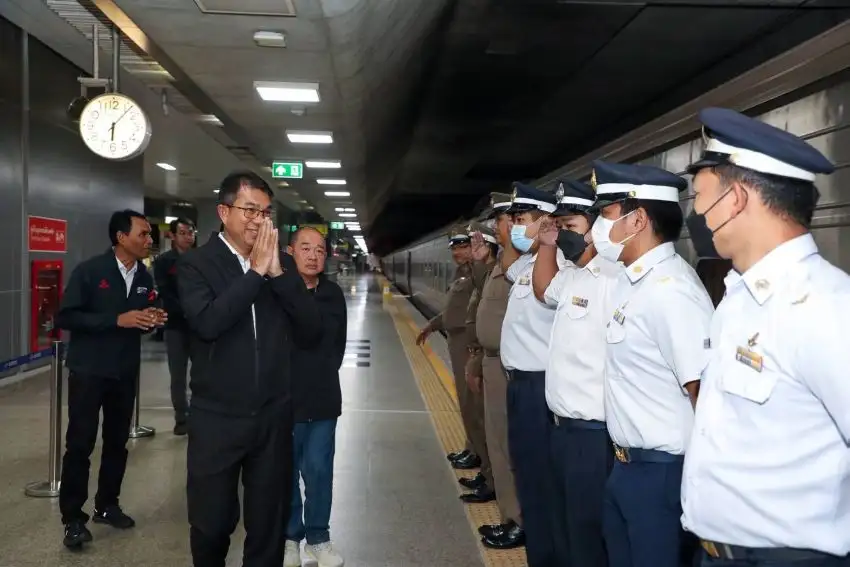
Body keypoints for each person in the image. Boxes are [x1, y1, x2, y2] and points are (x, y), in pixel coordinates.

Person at [681, 107, 849, 566]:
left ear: (735, 198)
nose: (696, 214)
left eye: (700, 197)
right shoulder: (739, 296)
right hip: (719, 553)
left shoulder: (825, 307)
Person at [177, 171, 321, 567]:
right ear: (224, 212)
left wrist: (277, 275)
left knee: (268, 523)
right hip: (217, 417)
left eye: (265, 212)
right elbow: (208, 323)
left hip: (272, 416)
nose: (259, 220)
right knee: (211, 521)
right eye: (250, 210)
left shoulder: (282, 265)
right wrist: (255, 273)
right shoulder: (196, 265)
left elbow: (311, 330)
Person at [589, 160, 714, 567]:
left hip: (661, 475)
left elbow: (703, 393)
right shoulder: (634, 283)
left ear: (638, 219)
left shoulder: (671, 290)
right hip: (627, 467)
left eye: (607, 213)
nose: (598, 227)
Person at [56, 209, 166, 549]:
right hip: (89, 371)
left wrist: (151, 318)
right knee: (80, 444)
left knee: (117, 443)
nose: (149, 240)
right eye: (143, 234)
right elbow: (67, 316)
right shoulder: (90, 271)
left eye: (149, 235)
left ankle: (107, 504)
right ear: (121, 237)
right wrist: (117, 319)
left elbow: (141, 316)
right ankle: (73, 518)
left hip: (124, 373)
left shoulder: (145, 277)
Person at [531, 178, 621, 567]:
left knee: (587, 533)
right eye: (559, 226)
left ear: (595, 227)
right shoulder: (572, 273)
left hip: (593, 434)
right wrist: (547, 245)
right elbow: (542, 290)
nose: (563, 234)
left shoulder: (613, 278)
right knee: (564, 527)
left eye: (570, 226)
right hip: (561, 428)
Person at [499, 183, 561, 567]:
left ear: (546, 222)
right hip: (520, 387)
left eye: (522, 219)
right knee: (526, 475)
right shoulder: (526, 264)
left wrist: (547, 241)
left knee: (540, 483)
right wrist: (513, 236)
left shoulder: (557, 267)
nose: (516, 227)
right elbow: (508, 264)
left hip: (540, 388)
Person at [283, 227, 348, 567]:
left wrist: (320, 373)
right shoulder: (277, 292)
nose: (313, 256)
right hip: (284, 400)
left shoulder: (333, 294)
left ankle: (318, 538)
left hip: (323, 398)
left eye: (320, 250)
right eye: (305, 248)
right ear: (290, 252)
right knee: (285, 472)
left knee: (319, 471)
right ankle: (290, 538)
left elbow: (338, 345)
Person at [466, 193, 527, 550]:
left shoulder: (522, 269)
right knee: (498, 445)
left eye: (505, 220)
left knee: (507, 447)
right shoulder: (501, 266)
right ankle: (510, 516)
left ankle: (517, 520)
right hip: (492, 362)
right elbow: (482, 306)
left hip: (508, 366)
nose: (499, 226)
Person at [416, 225, 489, 478]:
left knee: (472, 404)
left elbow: (474, 311)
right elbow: (453, 310)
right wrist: (432, 324)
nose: (458, 252)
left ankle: (479, 455)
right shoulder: (461, 273)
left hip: (467, 345)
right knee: (465, 402)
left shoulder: (479, 274)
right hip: (456, 342)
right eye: (455, 248)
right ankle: (472, 447)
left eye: (463, 247)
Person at [457, 219, 499, 504]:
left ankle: (492, 481)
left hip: (492, 359)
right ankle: (487, 474)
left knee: (491, 429)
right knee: (480, 420)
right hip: (479, 354)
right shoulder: (484, 275)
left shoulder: (500, 274)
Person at [153, 216, 196, 435]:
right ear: (172, 235)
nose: (188, 237)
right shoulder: (164, 261)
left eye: (191, 233)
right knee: (178, 374)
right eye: (183, 233)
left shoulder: (201, 259)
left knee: (201, 373)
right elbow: (166, 293)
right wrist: (186, 311)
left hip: (199, 325)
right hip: (176, 325)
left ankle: (199, 414)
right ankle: (181, 418)